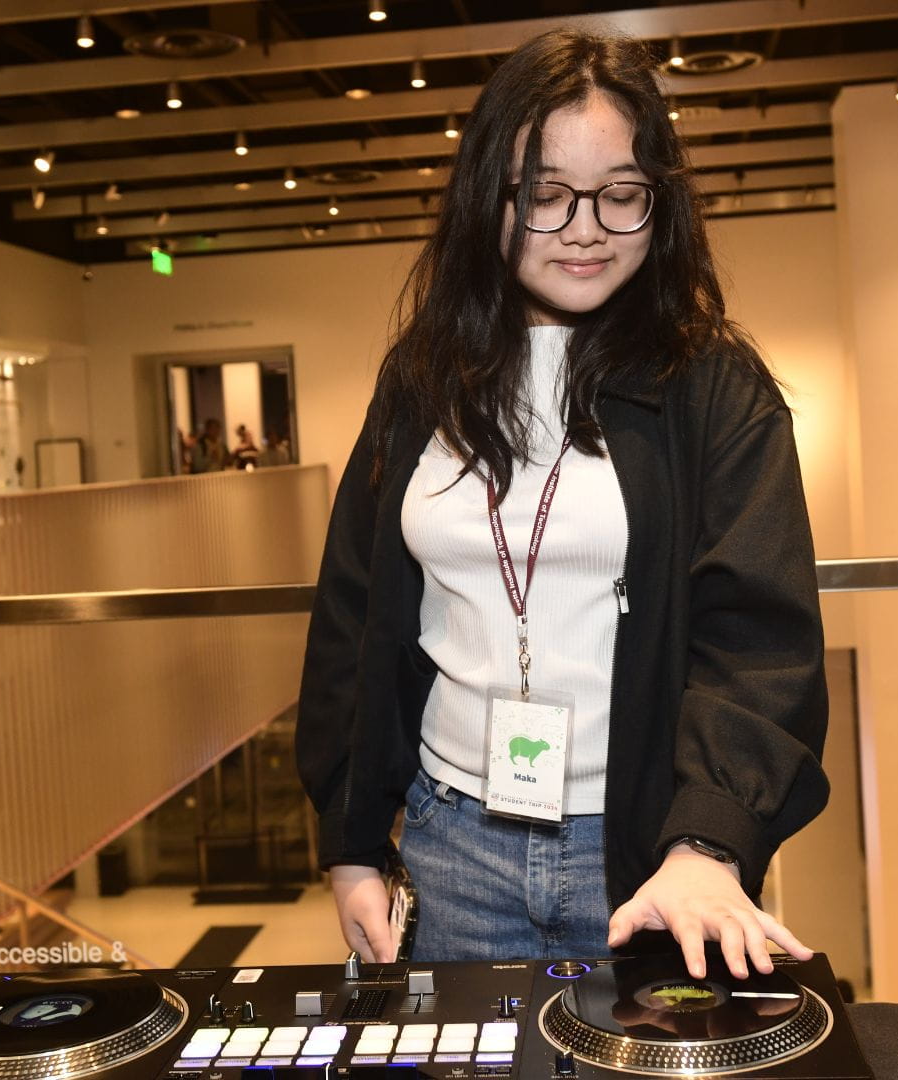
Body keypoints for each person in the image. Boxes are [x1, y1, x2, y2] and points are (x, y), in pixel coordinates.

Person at [296, 29, 828, 982]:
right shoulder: (422, 379)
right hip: (449, 842)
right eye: (544, 195)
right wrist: (350, 838)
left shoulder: (715, 387)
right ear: (485, 202)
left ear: (658, 206)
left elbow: (757, 639)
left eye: (620, 195)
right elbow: (356, 614)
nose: (584, 228)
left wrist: (706, 842)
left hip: (643, 862)